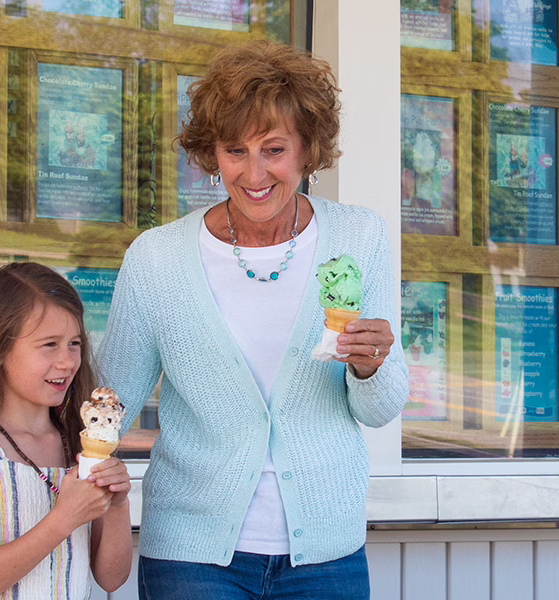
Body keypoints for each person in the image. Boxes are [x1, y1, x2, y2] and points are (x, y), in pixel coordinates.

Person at [106, 40, 404, 598]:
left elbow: (381, 408)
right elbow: (106, 406)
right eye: (235, 150)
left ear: (308, 148)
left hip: (325, 558)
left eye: (273, 149)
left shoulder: (360, 237)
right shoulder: (157, 257)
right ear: (211, 153)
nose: (253, 172)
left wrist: (371, 367)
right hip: (191, 558)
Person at [0, 262, 134, 599]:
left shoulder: (78, 444)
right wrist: (64, 518)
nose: (67, 361)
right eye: (49, 345)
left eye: (74, 343)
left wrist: (117, 506)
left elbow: (111, 578)